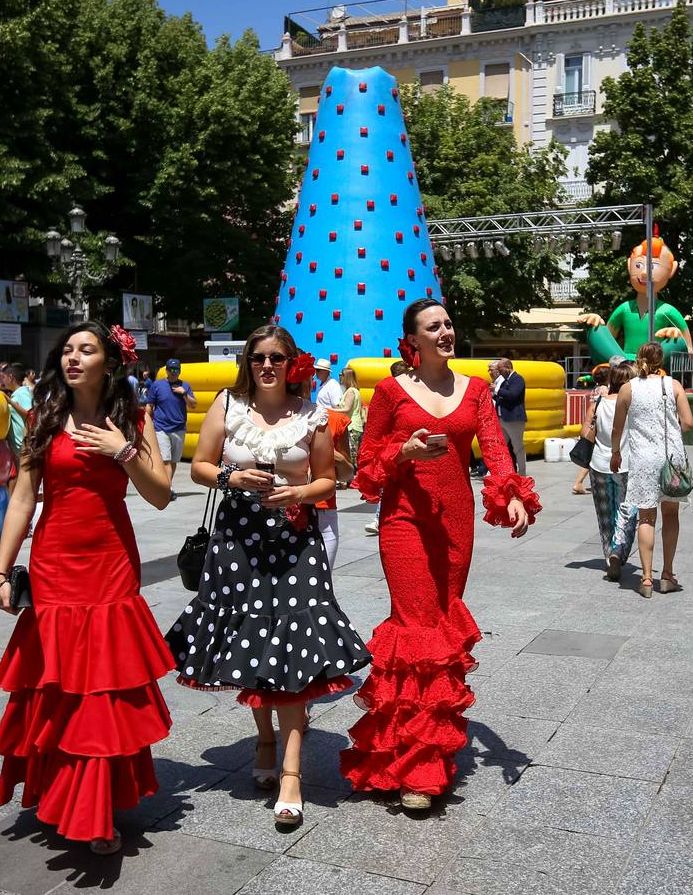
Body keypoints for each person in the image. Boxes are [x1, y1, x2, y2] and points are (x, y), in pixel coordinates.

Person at [165, 325, 370, 828]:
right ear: (248, 362)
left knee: (294, 653)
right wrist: (232, 478)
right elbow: (198, 467)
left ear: (291, 363)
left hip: (296, 542)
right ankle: (262, 738)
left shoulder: (313, 415)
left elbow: (328, 477)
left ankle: (292, 773)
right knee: (252, 646)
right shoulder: (227, 406)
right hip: (237, 543)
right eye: (258, 357)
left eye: (277, 357)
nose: (267, 366)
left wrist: (299, 494)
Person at [341, 299, 540, 812]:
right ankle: (418, 771)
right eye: (435, 326)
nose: (446, 331)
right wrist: (403, 451)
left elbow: (495, 450)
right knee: (416, 626)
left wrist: (512, 493)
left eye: (449, 323)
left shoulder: (475, 390)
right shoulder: (388, 391)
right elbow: (367, 464)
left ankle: (418, 752)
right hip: (404, 519)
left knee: (440, 627)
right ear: (413, 338)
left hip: (455, 523)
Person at [0, 321, 174, 855]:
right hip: (53, 563)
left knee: (99, 685)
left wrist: (123, 450)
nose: (73, 358)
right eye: (67, 350)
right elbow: (24, 497)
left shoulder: (131, 418)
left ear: (108, 363)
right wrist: (3, 571)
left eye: (86, 350)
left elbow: (161, 495)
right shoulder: (42, 416)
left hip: (110, 561)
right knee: (58, 682)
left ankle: (97, 806)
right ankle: (61, 792)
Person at [610, 343, 693, 597]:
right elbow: (688, 423)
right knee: (671, 516)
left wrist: (616, 452)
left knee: (646, 517)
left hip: (643, 459)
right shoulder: (673, 385)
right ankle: (667, 574)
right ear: (661, 360)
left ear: (638, 360)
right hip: (671, 459)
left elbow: (617, 428)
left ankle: (646, 579)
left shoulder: (628, 389)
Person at [590, 362, 634, 580]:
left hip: (598, 463)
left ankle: (609, 555)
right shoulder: (633, 404)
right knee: (627, 510)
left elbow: (584, 430)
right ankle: (619, 551)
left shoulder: (598, 401)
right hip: (626, 464)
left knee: (605, 514)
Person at [364, 360, 410, 536]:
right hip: (394, 447)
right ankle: (379, 518)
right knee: (388, 483)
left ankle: (381, 518)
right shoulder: (389, 391)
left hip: (399, 446)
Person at [144, 357, 196, 499]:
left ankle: (168, 485)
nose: (173, 372)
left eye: (176, 370)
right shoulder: (157, 385)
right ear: (166, 371)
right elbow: (149, 405)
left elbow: (193, 404)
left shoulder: (185, 386)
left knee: (173, 462)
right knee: (165, 460)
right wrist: (146, 423)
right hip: (161, 427)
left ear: (179, 372)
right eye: (170, 369)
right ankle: (167, 489)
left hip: (179, 428)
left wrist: (184, 393)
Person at [0, 363, 35, 497]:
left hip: (24, 448)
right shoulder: (17, 394)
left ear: (11, 377)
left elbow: (29, 414)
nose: (2, 381)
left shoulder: (21, 393)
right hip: (19, 448)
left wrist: (9, 401)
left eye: (4, 377)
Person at [572, 366, 610, 496]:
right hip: (600, 426)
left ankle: (580, 482)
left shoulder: (594, 390)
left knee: (591, 454)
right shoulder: (605, 390)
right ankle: (579, 482)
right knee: (591, 455)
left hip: (592, 425)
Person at [494, 358, 527, 474]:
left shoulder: (518, 379)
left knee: (518, 448)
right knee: (501, 447)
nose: (499, 372)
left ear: (508, 367)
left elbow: (513, 395)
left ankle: (522, 474)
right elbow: (499, 397)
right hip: (502, 419)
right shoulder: (504, 380)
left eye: (500, 369)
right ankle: (505, 472)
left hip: (514, 419)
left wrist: (497, 390)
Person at [336, 367, 365, 469]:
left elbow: (347, 409)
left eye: (341, 375)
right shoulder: (354, 390)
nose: (339, 377)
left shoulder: (351, 391)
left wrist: (329, 410)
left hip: (352, 426)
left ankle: (352, 478)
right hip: (354, 426)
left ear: (346, 377)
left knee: (351, 455)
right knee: (353, 454)